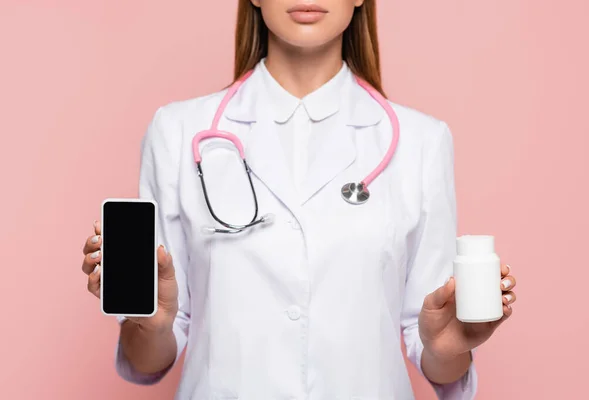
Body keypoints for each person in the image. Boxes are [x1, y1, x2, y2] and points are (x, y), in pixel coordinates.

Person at [81, 1, 517, 399]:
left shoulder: (423, 142)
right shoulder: (177, 132)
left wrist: (448, 347)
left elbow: (433, 348)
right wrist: (152, 325)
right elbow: (148, 357)